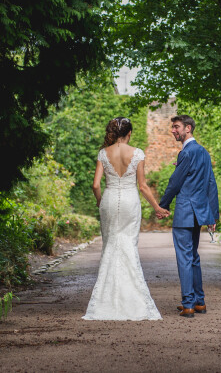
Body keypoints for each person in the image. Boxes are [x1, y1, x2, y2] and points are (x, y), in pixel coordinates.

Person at [82, 117, 165, 320]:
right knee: (128, 245)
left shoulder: (104, 153)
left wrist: (101, 202)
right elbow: (143, 186)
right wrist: (157, 207)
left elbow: (95, 185)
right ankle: (133, 301)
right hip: (130, 201)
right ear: (129, 134)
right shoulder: (137, 153)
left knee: (111, 245)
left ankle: (106, 301)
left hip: (109, 200)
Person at [158, 115, 220, 318]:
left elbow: (175, 182)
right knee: (193, 257)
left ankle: (188, 305)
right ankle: (199, 302)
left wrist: (162, 205)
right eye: (173, 127)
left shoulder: (186, 152)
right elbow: (211, 184)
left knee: (185, 257)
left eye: (176, 127)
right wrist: (213, 215)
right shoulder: (203, 152)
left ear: (188, 128)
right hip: (200, 211)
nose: (173, 131)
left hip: (185, 211)